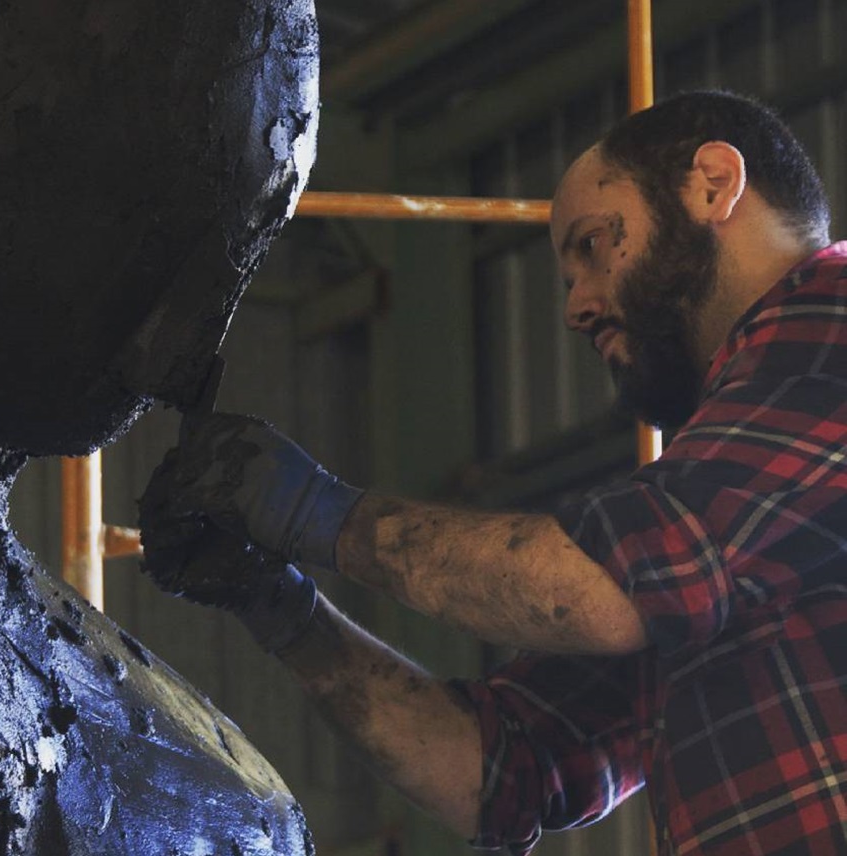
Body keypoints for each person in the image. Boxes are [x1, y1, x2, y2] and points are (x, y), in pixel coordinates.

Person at [139, 90, 847, 855]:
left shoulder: (830, 333)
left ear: (712, 183)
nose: (576, 308)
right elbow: (501, 768)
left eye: (593, 245)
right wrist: (278, 604)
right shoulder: (739, 498)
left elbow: (605, 588)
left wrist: (312, 512)